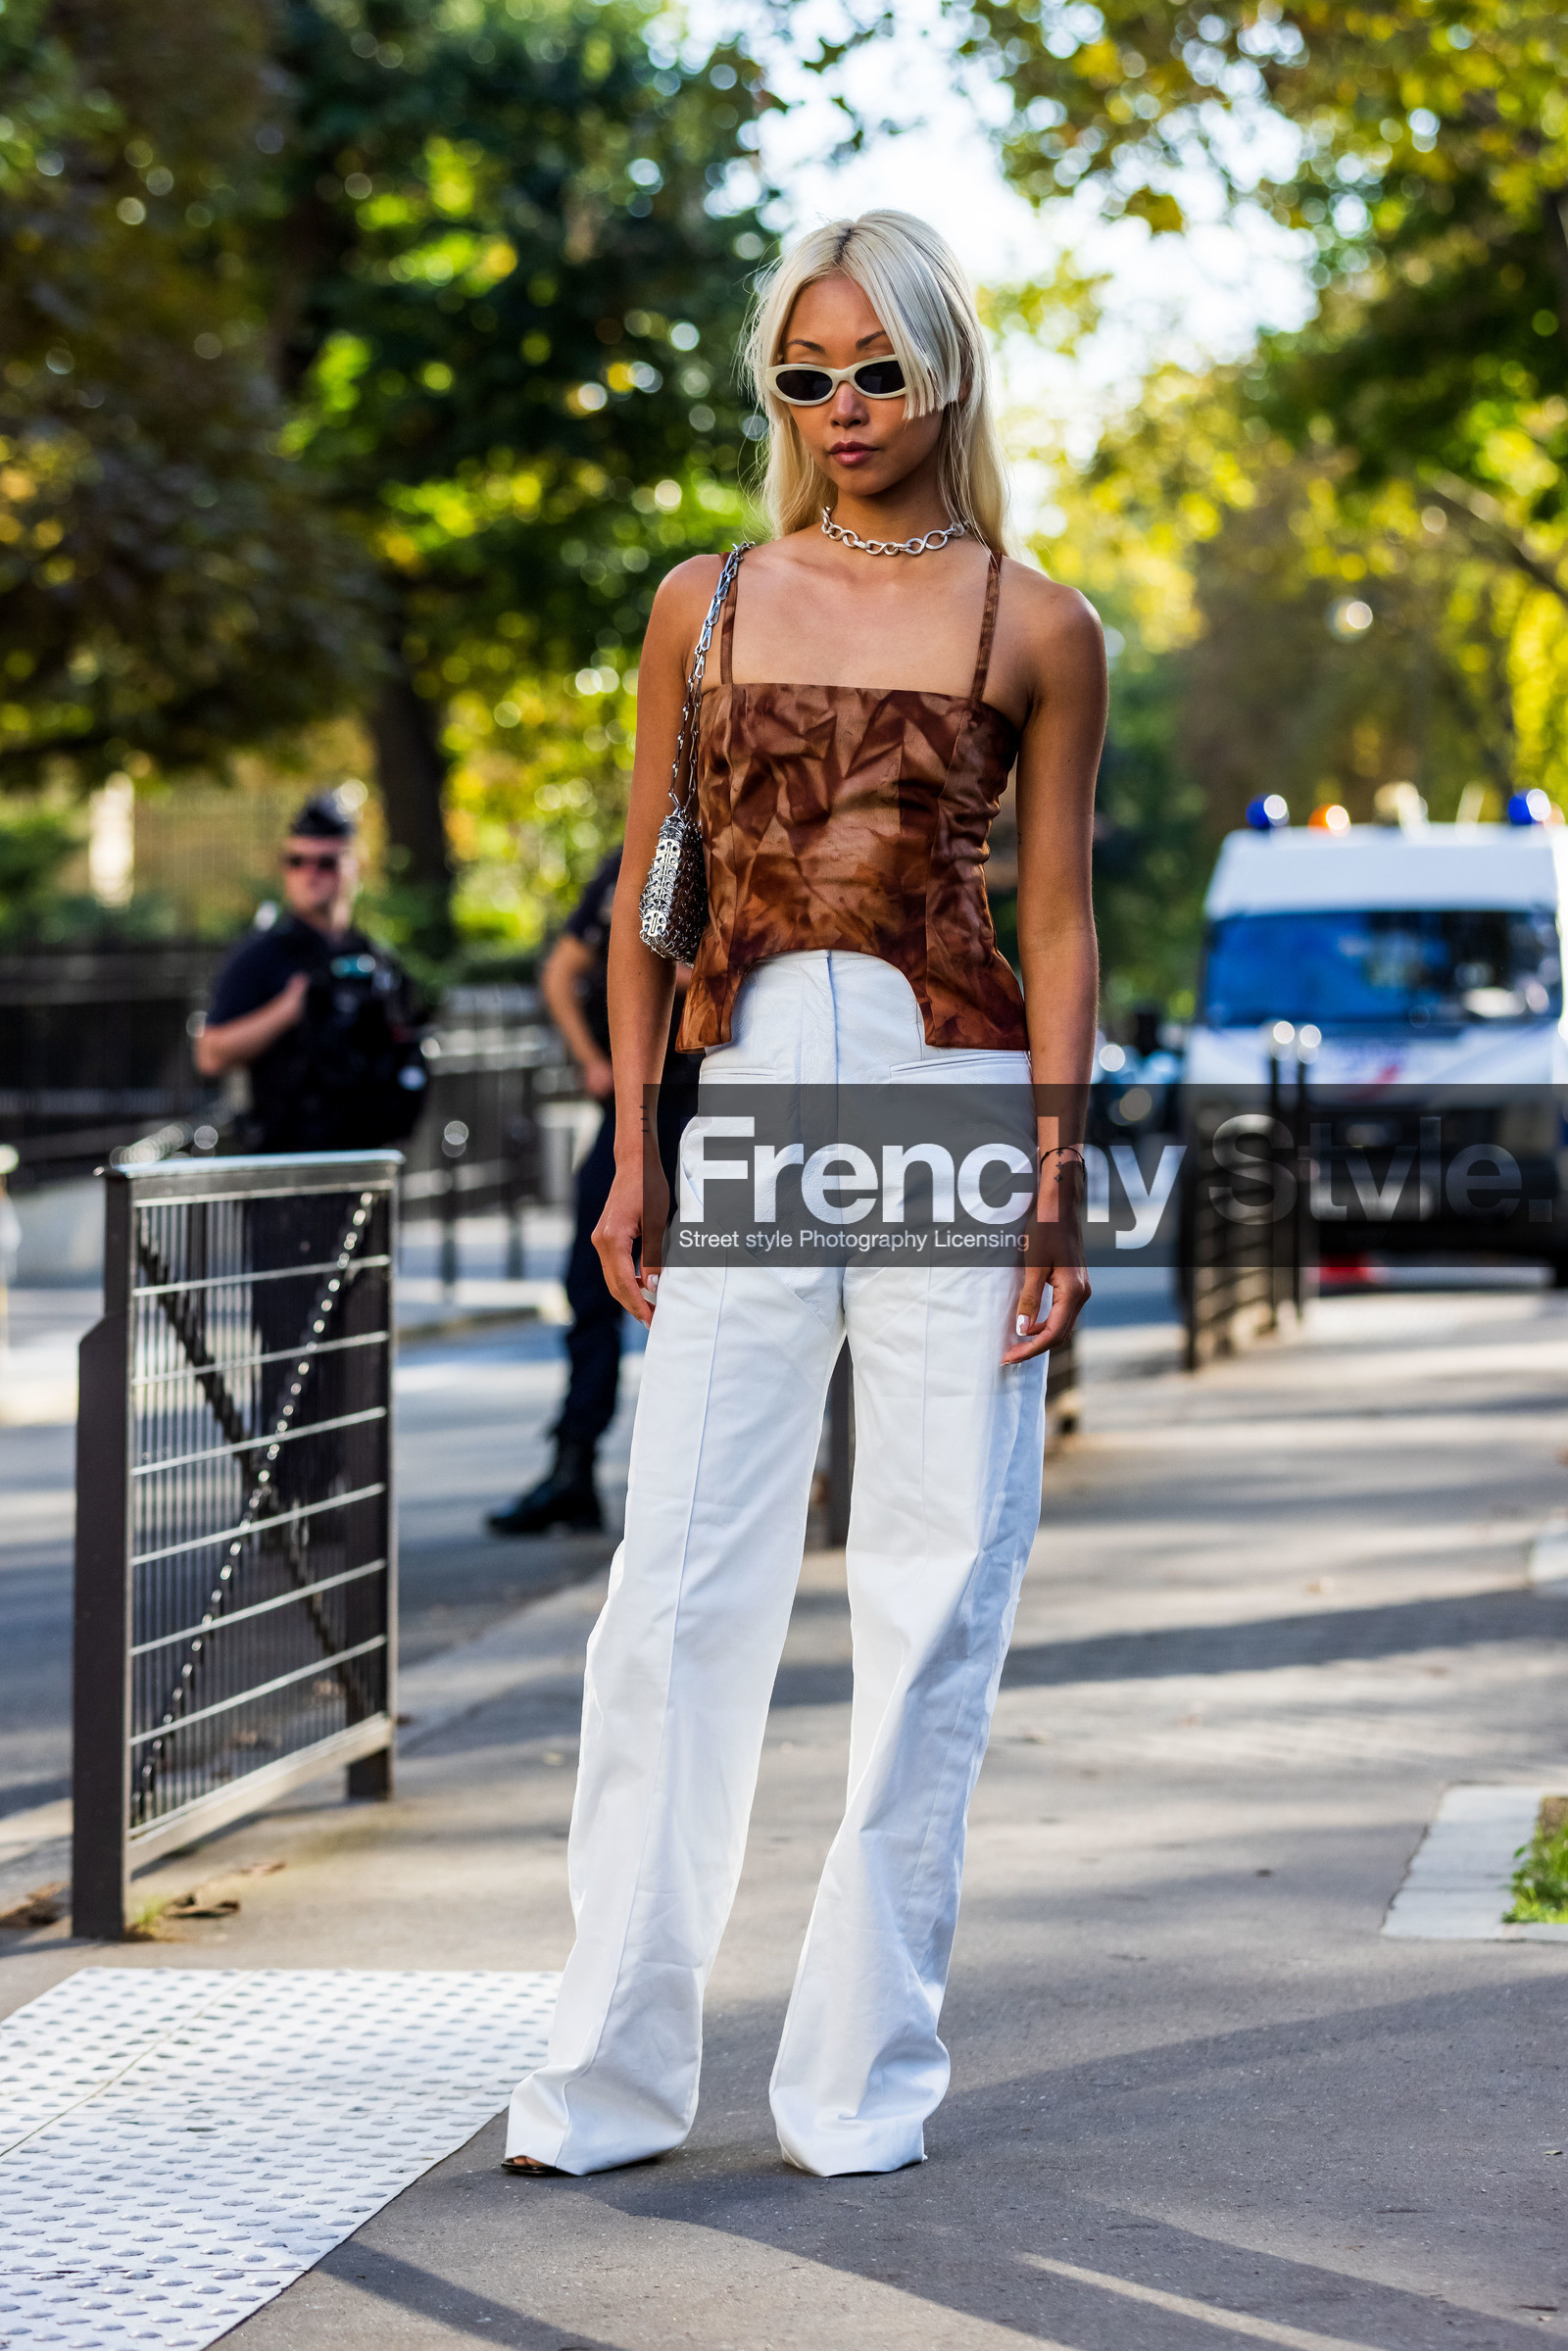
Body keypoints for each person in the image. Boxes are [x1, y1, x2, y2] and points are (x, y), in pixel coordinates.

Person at [504, 211, 1103, 2180]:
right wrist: (629, 1140)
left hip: (948, 1092)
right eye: (803, 374)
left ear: (939, 369)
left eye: (875, 368)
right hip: (745, 1086)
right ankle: (603, 2072)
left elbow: (1058, 914)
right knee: (670, 1589)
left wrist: (1050, 1166)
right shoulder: (710, 599)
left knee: (933, 1596)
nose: (842, 407)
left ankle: (858, 2080)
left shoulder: (1034, 623)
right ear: (774, 391)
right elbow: (641, 888)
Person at [485, 848, 700, 1536]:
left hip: (713, 1105)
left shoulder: (742, 836)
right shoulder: (628, 864)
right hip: (633, 1109)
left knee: (708, 1302)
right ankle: (573, 1466)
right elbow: (560, 971)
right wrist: (592, 1059)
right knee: (591, 1289)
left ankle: (691, 1484)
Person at [194, 793, 427, 1153]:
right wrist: (287, 1011)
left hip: (364, 1157)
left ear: (356, 867)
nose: (310, 875)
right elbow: (210, 1054)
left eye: (326, 863)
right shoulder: (261, 956)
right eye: (296, 861)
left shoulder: (375, 958)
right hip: (285, 1164)